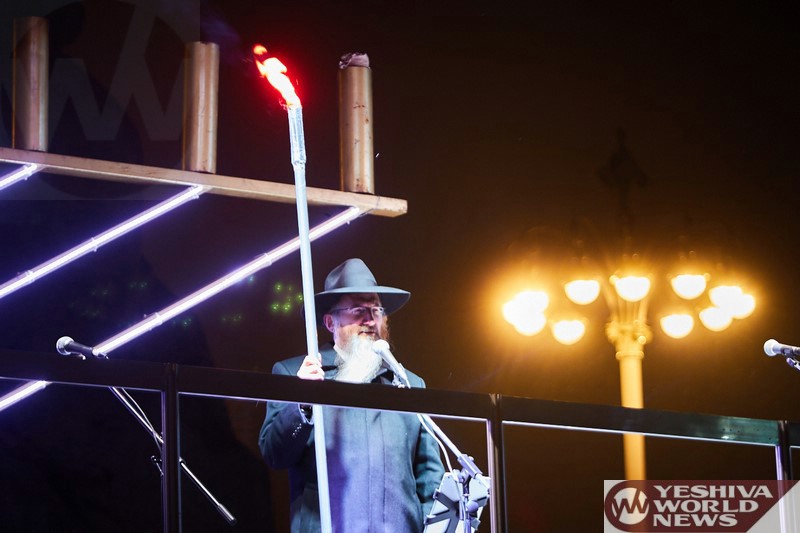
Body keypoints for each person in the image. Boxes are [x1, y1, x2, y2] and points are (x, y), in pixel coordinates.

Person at [258, 258, 445, 533]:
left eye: (376, 310)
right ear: (330, 322)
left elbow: (430, 478)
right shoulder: (298, 374)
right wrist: (302, 402)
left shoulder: (408, 384)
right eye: (358, 310)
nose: (370, 320)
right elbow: (275, 454)